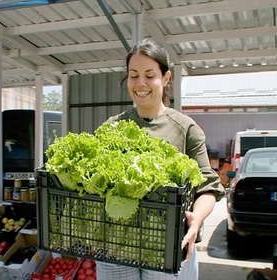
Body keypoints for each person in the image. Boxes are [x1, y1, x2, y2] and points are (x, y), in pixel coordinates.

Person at [96, 38, 225, 280]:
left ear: (165, 78)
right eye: (133, 75)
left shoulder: (186, 128)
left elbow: (208, 187)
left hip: (168, 245)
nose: (140, 83)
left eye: (149, 75)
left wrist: (196, 219)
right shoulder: (111, 127)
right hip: (116, 245)